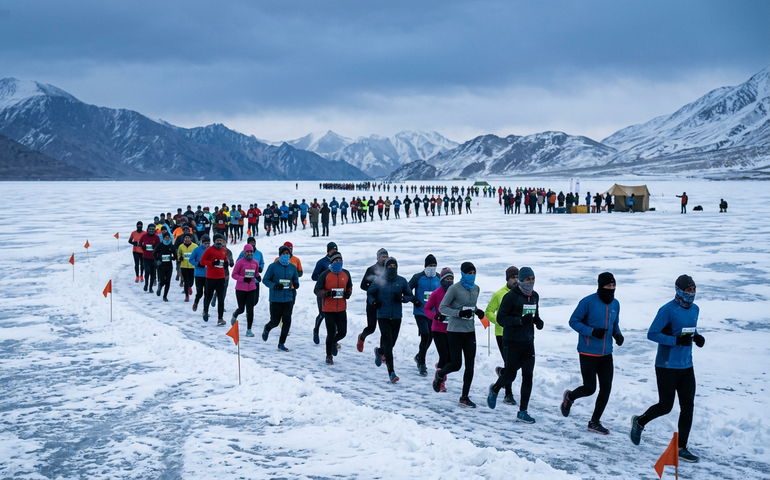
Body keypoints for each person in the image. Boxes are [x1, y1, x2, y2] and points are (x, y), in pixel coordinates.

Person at [630, 275, 705, 463]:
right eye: (688, 290)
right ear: (679, 290)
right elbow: (652, 333)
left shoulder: (695, 309)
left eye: (694, 289)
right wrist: (675, 340)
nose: (691, 293)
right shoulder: (667, 310)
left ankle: (681, 448)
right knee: (665, 406)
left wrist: (697, 337)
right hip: (666, 366)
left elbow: (689, 329)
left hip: (687, 365)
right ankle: (639, 421)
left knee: (688, 407)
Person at [561, 272, 623, 435]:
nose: (611, 288)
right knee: (590, 388)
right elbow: (573, 321)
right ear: (600, 286)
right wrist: (591, 332)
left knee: (606, 388)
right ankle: (570, 397)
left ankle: (594, 422)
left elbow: (615, 323)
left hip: (606, 354)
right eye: (608, 286)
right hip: (588, 352)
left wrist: (617, 334)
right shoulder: (588, 302)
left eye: (613, 285)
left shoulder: (616, 304)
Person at [485, 267, 543, 423]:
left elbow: (534, 314)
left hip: (528, 342)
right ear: (520, 281)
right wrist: (518, 321)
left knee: (528, 377)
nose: (530, 282)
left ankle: (522, 411)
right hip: (511, 341)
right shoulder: (510, 297)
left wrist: (537, 321)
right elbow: (502, 318)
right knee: (511, 374)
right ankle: (495, 388)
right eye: (527, 279)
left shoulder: (535, 296)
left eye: (533, 279)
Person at [432, 261, 484, 408]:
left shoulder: (476, 289)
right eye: (469, 273)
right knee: (456, 364)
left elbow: (471, 306)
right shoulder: (454, 289)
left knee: (470, 365)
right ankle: (440, 374)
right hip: (454, 331)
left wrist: (477, 311)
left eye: (474, 273)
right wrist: (459, 313)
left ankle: (464, 397)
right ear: (463, 274)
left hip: (469, 331)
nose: (471, 276)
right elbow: (442, 308)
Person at [367, 257, 413, 383]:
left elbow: (410, 295)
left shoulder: (402, 281)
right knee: (388, 344)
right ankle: (391, 372)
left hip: (397, 316)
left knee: (390, 344)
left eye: (394, 266)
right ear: (386, 268)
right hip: (383, 316)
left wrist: (403, 299)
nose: (392, 268)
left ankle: (379, 351)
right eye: (390, 266)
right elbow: (370, 293)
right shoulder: (378, 281)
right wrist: (374, 302)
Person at [485, 266, 519, 405]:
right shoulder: (499, 294)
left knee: (518, 363)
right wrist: (500, 322)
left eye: (517, 277)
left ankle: (502, 373)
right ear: (507, 279)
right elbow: (489, 312)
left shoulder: (522, 294)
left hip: (518, 334)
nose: (515, 280)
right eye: (513, 277)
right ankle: (508, 394)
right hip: (502, 334)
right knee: (510, 363)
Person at [314, 252, 353, 365]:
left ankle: (332, 343)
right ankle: (329, 355)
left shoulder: (346, 273)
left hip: (341, 308)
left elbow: (349, 286)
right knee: (330, 333)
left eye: (340, 261)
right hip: (328, 309)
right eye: (336, 261)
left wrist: (348, 294)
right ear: (331, 262)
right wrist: (326, 293)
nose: (338, 263)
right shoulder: (325, 274)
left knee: (343, 332)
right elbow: (317, 290)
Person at [261, 245, 300, 351]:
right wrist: (275, 285)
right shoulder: (273, 266)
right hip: (275, 299)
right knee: (275, 322)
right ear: (280, 255)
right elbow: (265, 280)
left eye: (287, 254)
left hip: (288, 298)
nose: (285, 255)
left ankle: (281, 343)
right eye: (283, 254)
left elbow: (295, 278)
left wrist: (296, 284)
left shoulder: (292, 267)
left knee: (287, 321)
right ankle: (267, 328)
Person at [408, 254, 440, 376]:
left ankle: (418, 356)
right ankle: (422, 364)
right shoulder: (418, 277)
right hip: (420, 312)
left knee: (431, 337)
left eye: (434, 266)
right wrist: (414, 300)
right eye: (430, 266)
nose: (432, 268)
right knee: (425, 336)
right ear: (425, 266)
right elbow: (406, 289)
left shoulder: (439, 278)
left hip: (433, 313)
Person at [424, 267, 454, 392]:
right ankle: (440, 382)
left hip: (452, 329)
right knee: (444, 355)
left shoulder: (455, 292)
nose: (449, 281)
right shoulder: (436, 293)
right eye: (446, 279)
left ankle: (440, 368)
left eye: (451, 279)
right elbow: (427, 309)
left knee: (451, 359)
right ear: (442, 280)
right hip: (438, 329)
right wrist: (436, 316)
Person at [356, 248, 388, 352]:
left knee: (385, 330)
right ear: (378, 258)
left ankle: (382, 352)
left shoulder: (389, 270)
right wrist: (374, 290)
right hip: (372, 303)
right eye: (383, 257)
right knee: (371, 328)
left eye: (386, 257)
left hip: (384, 304)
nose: (385, 259)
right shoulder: (371, 269)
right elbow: (363, 285)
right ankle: (361, 338)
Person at [199, 233, 230, 325]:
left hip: (221, 278)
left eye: (221, 240)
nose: (219, 242)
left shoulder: (224, 250)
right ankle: (205, 311)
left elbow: (225, 260)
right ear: (214, 241)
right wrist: (212, 263)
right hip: (210, 278)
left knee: (221, 298)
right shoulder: (209, 250)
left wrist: (227, 263)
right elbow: (202, 261)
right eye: (217, 240)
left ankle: (220, 319)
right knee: (208, 296)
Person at [311, 242, 338, 344]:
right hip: (322, 292)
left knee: (334, 316)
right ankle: (316, 330)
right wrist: (324, 279)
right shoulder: (322, 262)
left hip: (333, 293)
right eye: (332, 250)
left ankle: (333, 339)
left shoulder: (337, 262)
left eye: (335, 250)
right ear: (328, 251)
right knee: (323, 314)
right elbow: (314, 276)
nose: (334, 252)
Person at [231, 244, 260, 337]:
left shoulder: (255, 262)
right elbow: (234, 275)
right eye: (248, 252)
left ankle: (249, 329)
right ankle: (235, 314)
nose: (249, 253)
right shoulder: (240, 262)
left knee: (250, 309)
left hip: (251, 288)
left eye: (251, 252)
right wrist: (243, 279)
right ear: (244, 252)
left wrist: (258, 277)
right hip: (240, 289)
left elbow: (256, 273)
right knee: (242, 309)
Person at [153, 231, 176, 301]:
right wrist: (157, 260)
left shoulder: (171, 246)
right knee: (162, 280)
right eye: (166, 238)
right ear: (163, 238)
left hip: (169, 266)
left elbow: (175, 256)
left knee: (168, 282)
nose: (167, 239)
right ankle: (160, 286)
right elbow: (154, 254)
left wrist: (171, 258)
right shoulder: (159, 246)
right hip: (161, 266)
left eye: (168, 238)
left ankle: (165, 296)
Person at [189, 234, 210, 311]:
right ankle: (196, 302)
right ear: (202, 242)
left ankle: (205, 309)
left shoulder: (211, 250)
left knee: (207, 293)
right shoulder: (197, 250)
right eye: (205, 243)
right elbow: (191, 260)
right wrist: (198, 264)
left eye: (208, 243)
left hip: (209, 275)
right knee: (200, 292)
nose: (207, 245)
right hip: (199, 274)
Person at [139, 223, 160, 293]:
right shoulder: (144, 236)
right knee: (147, 271)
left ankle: (150, 287)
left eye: (153, 229)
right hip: (145, 257)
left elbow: (159, 246)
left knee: (153, 273)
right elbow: (140, 243)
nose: (151, 230)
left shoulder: (156, 237)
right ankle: (146, 284)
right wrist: (143, 247)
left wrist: (155, 247)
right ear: (147, 230)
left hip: (153, 257)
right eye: (150, 229)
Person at [177, 232, 198, 302]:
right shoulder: (181, 246)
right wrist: (180, 258)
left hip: (192, 266)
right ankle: (186, 296)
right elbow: (178, 254)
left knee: (191, 281)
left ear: (190, 238)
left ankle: (190, 287)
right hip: (184, 266)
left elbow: (197, 254)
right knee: (186, 280)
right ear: (184, 238)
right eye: (186, 238)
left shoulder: (195, 246)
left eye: (188, 238)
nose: (187, 239)